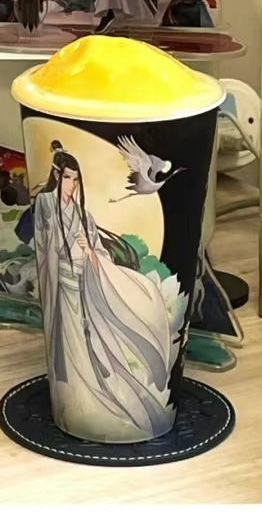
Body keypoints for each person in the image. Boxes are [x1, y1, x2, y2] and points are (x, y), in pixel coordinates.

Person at [33, 141, 176, 442]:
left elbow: (100, 253)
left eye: (76, 179)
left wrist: (90, 253)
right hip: (62, 291)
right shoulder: (46, 204)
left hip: (83, 290)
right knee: (69, 352)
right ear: (57, 176)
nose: (72, 185)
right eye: (67, 177)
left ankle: (98, 406)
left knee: (92, 352)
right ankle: (76, 407)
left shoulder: (85, 217)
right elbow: (45, 242)